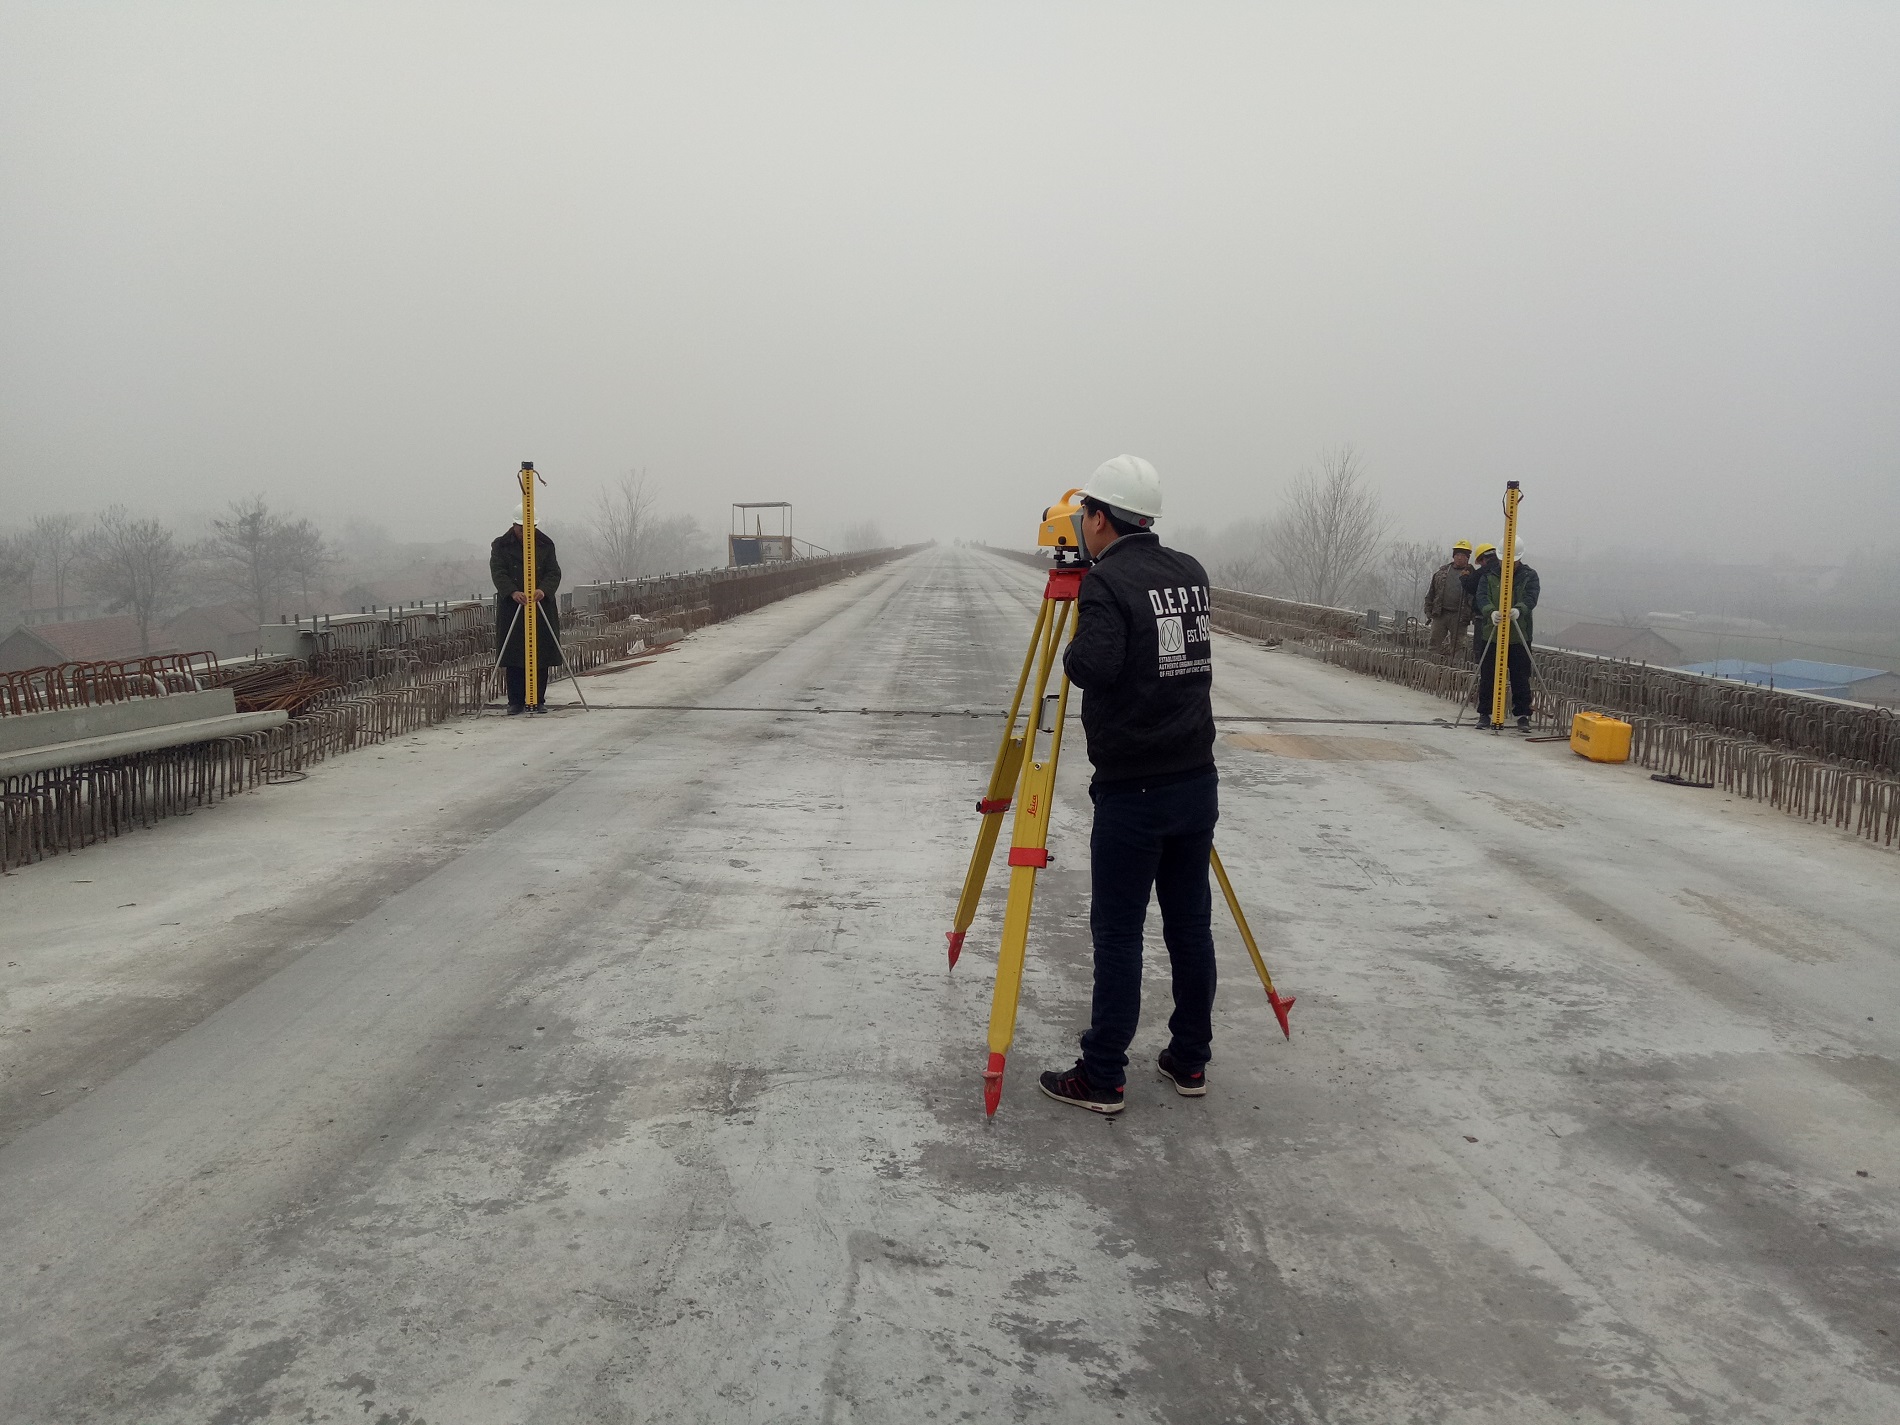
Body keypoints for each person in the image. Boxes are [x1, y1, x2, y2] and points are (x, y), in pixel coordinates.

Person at [1038, 455, 1218, 1115]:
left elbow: (1094, 665)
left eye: (1084, 514)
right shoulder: (1190, 571)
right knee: (1189, 926)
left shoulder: (1105, 582)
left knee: (1118, 933)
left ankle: (1103, 1073)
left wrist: (1071, 643)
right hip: (1196, 780)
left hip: (1133, 790)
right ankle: (1190, 1058)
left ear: (1097, 519)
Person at [491, 506, 563, 715]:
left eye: (530, 528)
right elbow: (498, 572)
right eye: (522, 528)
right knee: (514, 655)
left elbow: (553, 572)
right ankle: (515, 701)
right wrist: (512, 592)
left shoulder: (545, 544)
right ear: (514, 526)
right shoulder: (501, 545)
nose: (526, 532)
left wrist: (544, 590)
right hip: (512, 607)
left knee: (540, 654)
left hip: (540, 606)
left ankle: (538, 699)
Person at [1473, 545, 1540, 730]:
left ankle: (1522, 715)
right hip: (1492, 633)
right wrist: (1490, 612)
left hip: (1519, 634)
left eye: (1512, 560)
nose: (1507, 564)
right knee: (1488, 676)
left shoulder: (1529, 576)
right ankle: (1485, 713)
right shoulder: (1489, 575)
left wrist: (1520, 609)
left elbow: (1531, 597)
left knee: (1520, 676)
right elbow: (1482, 597)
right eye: (1504, 560)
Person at [1424, 540, 1475, 657]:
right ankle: (1431, 664)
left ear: (1467, 557)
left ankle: (1455, 667)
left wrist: (1473, 615)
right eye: (1457, 555)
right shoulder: (1441, 573)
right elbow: (1431, 592)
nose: (1459, 558)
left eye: (1463, 555)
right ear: (1453, 556)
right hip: (1440, 614)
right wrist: (1428, 609)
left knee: (1459, 647)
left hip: (1460, 616)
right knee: (1434, 643)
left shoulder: (1472, 575)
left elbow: (1475, 597)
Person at [1463, 544, 1495, 662]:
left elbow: (1471, 587)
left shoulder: (1483, 572)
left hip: (1483, 616)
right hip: (1501, 617)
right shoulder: (1505, 569)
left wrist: (1465, 578)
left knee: (1481, 649)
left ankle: (1480, 667)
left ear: (1483, 559)